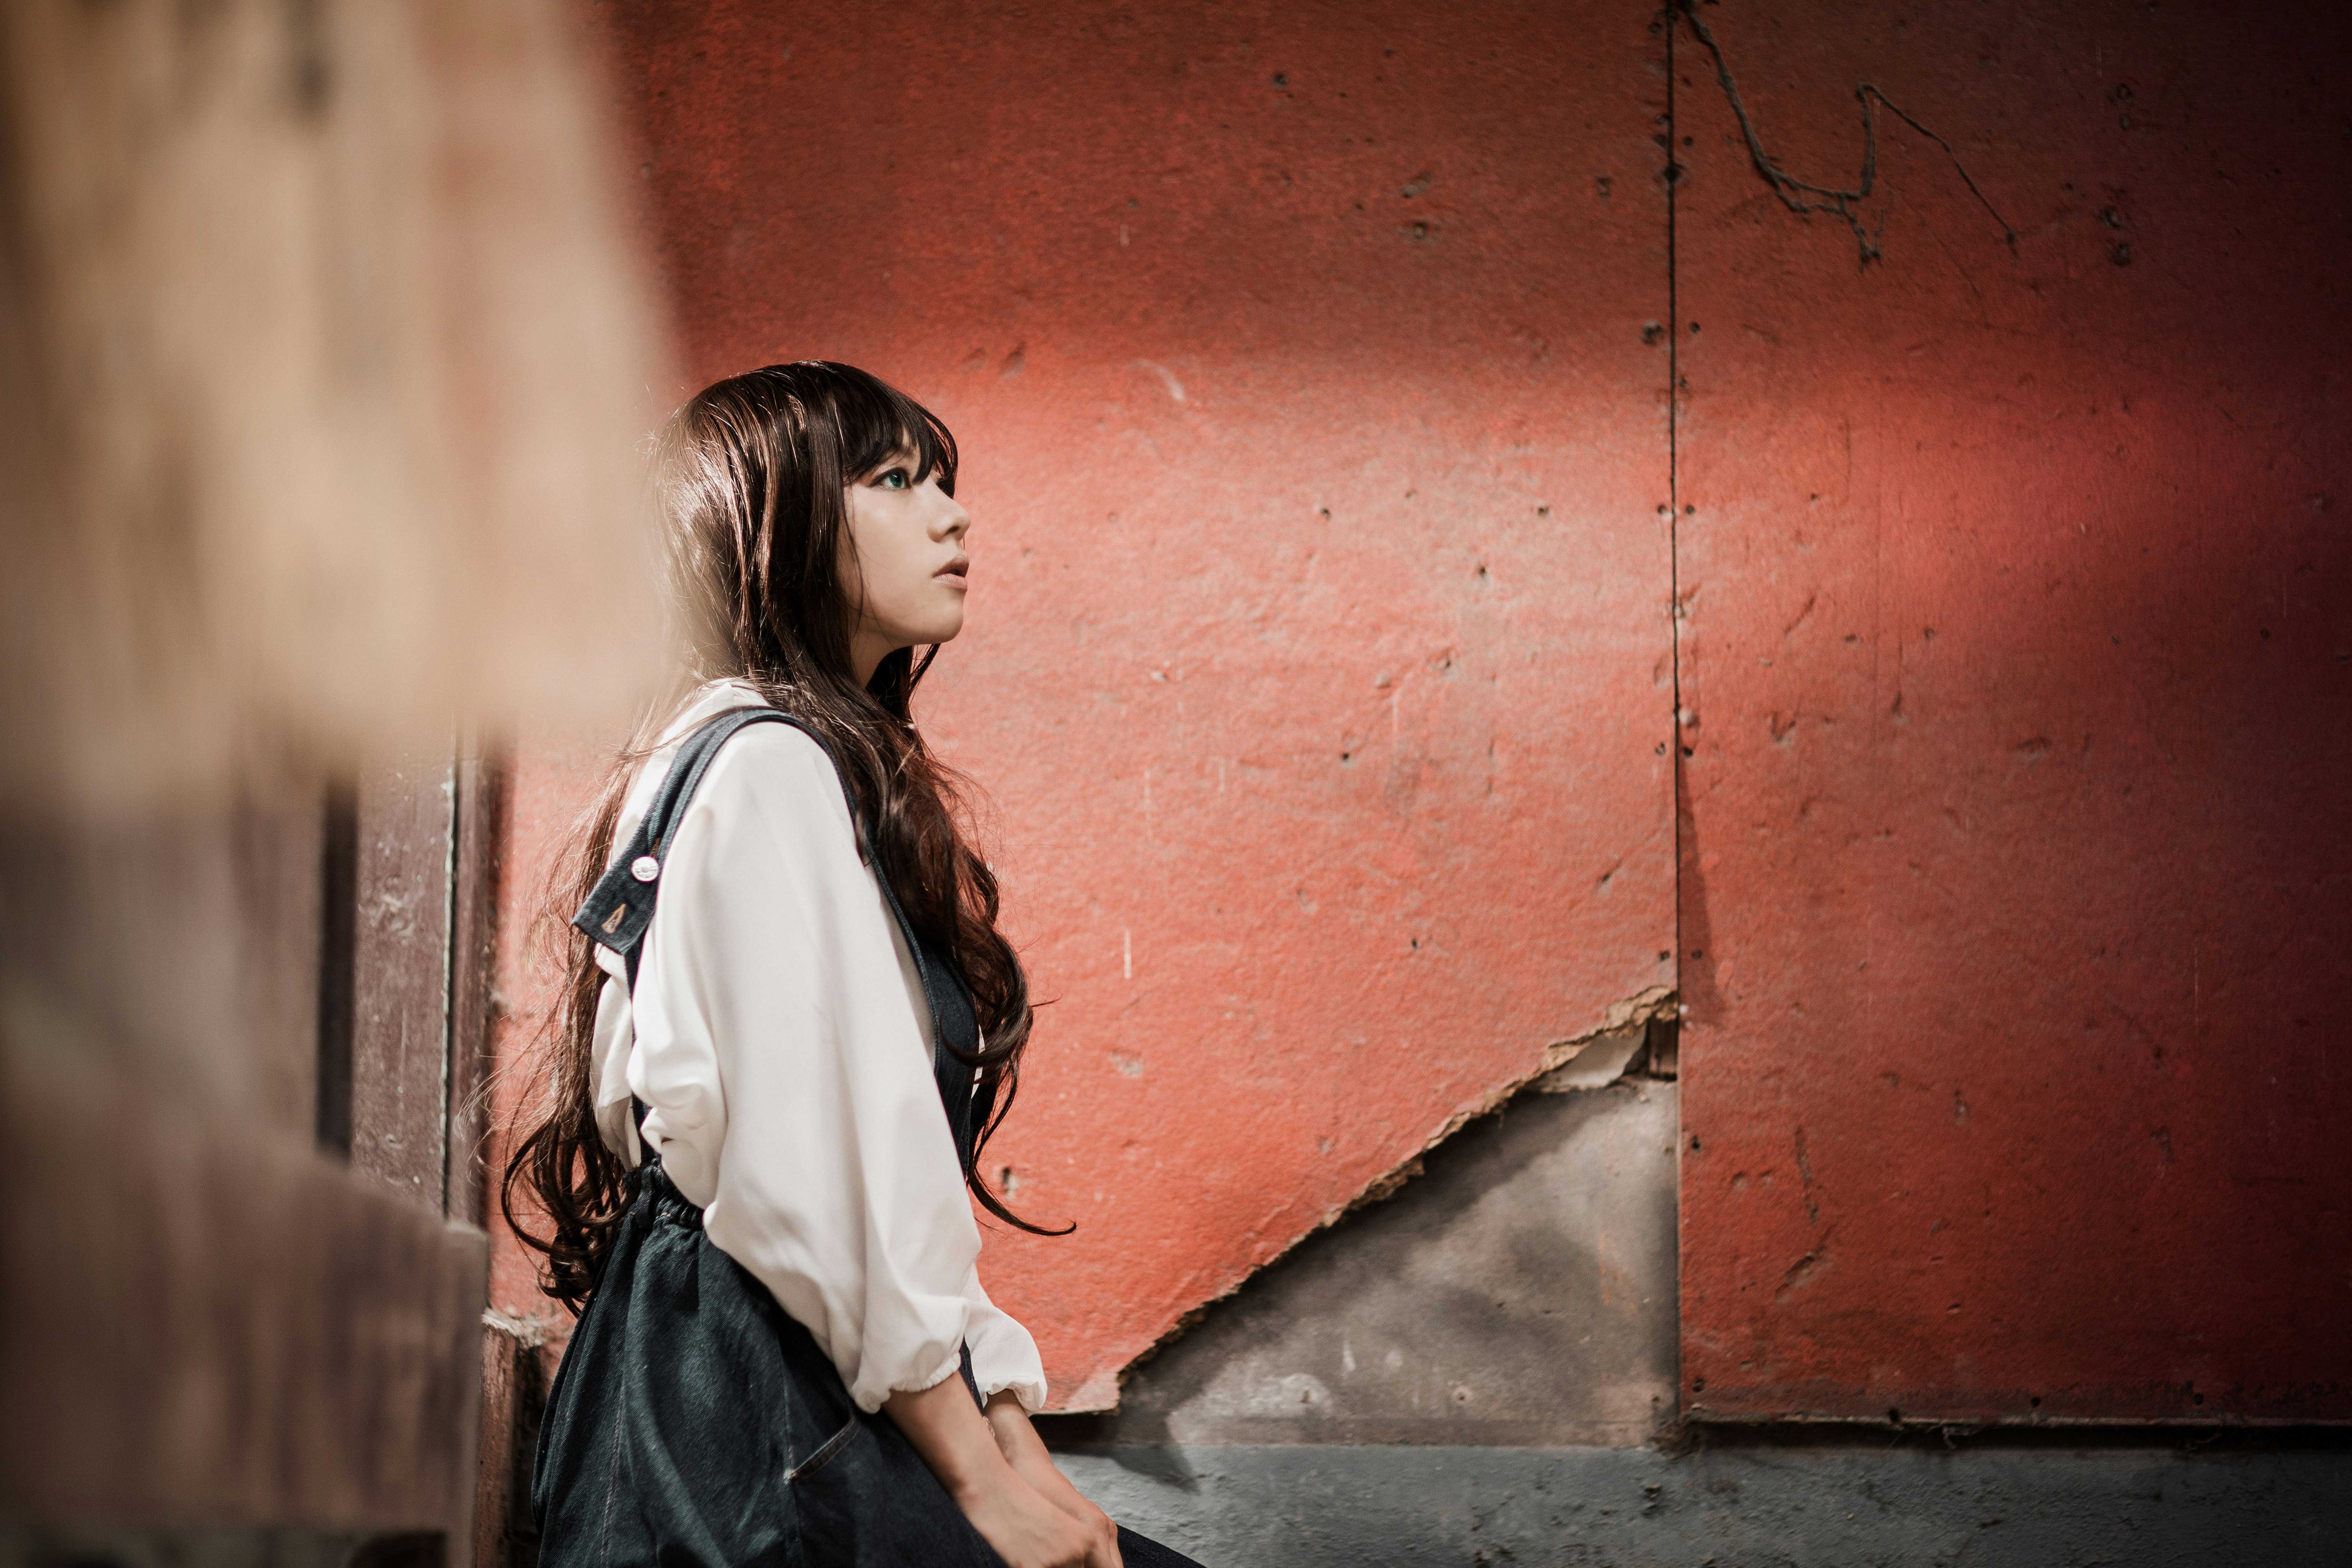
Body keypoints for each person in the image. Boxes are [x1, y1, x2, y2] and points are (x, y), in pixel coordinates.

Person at [505, 362, 1201, 1568]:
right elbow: (802, 1179)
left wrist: (1017, 1452)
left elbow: (897, 1188)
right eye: (893, 480)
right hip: (747, 1446)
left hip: (780, 1414)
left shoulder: (778, 764)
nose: (952, 513)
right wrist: (984, 1486)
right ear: (770, 521)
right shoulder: (762, 767)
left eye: (942, 480)